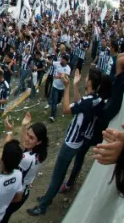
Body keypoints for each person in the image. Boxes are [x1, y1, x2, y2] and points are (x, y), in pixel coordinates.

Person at [27, 70, 102, 216]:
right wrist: (74, 85)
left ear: (90, 82)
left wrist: (67, 86)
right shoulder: (95, 99)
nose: (84, 80)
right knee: (60, 173)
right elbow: (80, 106)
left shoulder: (87, 101)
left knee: (57, 175)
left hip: (71, 143)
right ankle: (48, 196)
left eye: (86, 78)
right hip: (79, 141)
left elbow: (67, 109)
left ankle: (43, 206)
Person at [1, 114, 48, 222]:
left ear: (39, 141)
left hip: (15, 194)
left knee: (1, 218)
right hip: (22, 192)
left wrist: (9, 132)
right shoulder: (39, 153)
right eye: (27, 134)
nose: (27, 138)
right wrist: (23, 126)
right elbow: (23, 144)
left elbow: (8, 152)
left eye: (31, 137)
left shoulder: (26, 159)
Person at [47, 54, 71, 122]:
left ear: (66, 61)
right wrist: (44, 59)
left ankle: (56, 105)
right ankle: (52, 116)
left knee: (59, 100)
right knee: (54, 101)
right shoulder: (57, 63)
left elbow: (66, 77)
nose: (61, 60)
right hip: (55, 86)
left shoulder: (68, 68)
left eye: (63, 59)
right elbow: (50, 62)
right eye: (61, 58)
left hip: (62, 88)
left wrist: (63, 76)